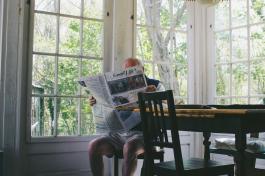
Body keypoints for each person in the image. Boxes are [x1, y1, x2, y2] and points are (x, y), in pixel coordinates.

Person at [88, 58, 165, 176]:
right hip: (118, 135)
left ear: (142, 70)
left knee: (129, 148)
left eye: (132, 70)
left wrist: (153, 96)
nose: (129, 75)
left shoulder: (156, 85)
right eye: (126, 71)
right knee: (94, 146)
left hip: (143, 135)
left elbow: (165, 107)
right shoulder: (117, 87)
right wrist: (96, 101)